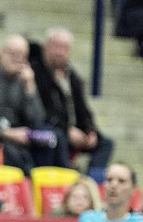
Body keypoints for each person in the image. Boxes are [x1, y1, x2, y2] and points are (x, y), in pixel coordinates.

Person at [0, 34, 64, 175]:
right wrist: (5, 132)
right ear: (1, 52)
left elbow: (37, 119)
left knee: (49, 134)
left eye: (22, 56)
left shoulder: (23, 80)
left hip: (15, 130)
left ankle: (41, 181)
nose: (17, 59)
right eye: (13, 54)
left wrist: (30, 87)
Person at [30, 27, 113, 177]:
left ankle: (91, 182)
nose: (59, 52)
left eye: (64, 48)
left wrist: (90, 130)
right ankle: (67, 179)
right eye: (56, 46)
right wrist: (67, 130)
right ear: (45, 47)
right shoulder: (36, 73)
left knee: (105, 143)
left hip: (74, 131)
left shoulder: (72, 77)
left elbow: (83, 109)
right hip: (52, 129)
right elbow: (41, 111)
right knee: (58, 136)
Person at [72, 162, 143, 222]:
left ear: (133, 189)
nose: (114, 185)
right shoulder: (87, 220)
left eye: (121, 181)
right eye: (109, 180)